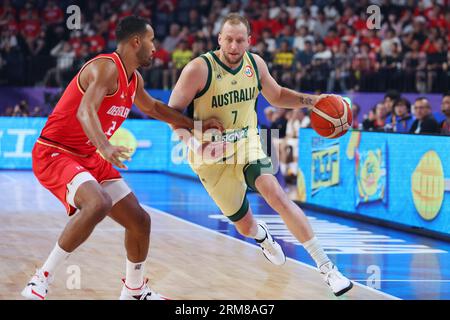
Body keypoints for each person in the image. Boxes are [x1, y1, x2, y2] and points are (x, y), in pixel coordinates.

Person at [21, 16, 222, 300]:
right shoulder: (105, 67)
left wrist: (196, 126)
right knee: (98, 203)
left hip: (88, 155)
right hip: (55, 151)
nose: (156, 48)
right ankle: (40, 279)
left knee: (140, 221)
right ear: (136, 41)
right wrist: (104, 146)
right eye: (152, 41)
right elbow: (85, 111)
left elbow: (153, 108)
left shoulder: (134, 79)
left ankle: (134, 290)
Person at [168, 13, 353, 297]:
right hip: (209, 155)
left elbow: (277, 95)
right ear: (219, 39)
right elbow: (172, 115)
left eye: (240, 40)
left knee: (275, 192)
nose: (233, 46)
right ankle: (262, 237)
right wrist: (197, 145)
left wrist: (311, 101)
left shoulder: (255, 64)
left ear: (249, 41)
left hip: (246, 141)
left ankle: (328, 268)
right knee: (243, 225)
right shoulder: (198, 69)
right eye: (228, 39)